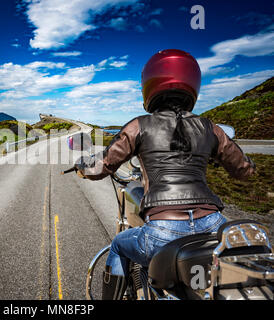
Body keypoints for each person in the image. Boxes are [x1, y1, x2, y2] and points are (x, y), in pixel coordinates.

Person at [74, 49, 256, 300]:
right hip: (214, 224)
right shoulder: (209, 128)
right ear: (192, 83)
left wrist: (82, 167)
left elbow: (103, 165)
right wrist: (247, 163)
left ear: (150, 84)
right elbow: (244, 171)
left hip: (164, 229)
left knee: (118, 245)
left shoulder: (139, 125)